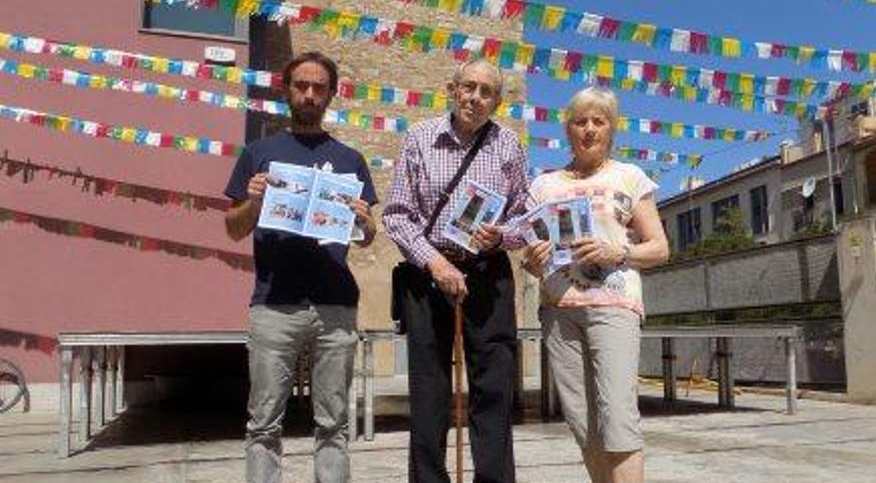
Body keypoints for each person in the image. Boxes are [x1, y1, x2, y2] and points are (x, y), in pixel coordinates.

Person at [224, 51, 378, 483]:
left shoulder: (351, 159)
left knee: (334, 424)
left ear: (332, 94)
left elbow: (367, 237)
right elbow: (232, 229)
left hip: (336, 306)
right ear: (287, 90)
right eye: (302, 86)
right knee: (263, 424)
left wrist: (366, 223)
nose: (310, 95)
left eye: (319, 88)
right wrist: (253, 202)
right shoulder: (259, 153)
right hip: (273, 305)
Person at [382, 59, 529, 483]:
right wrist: (436, 261)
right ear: (452, 89)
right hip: (428, 275)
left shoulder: (509, 146)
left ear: (497, 102)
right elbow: (397, 215)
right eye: (469, 87)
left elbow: (525, 216)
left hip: (488, 273)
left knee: (495, 388)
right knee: (428, 392)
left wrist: (500, 235)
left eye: (487, 92)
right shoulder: (420, 138)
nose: (476, 98)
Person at [521, 87, 669, 483]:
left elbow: (659, 249)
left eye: (598, 122)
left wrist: (616, 252)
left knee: (617, 416)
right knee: (583, 422)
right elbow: (531, 258)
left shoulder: (629, 177)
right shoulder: (543, 185)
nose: (588, 129)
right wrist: (533, 262)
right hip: (558, 312)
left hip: (614, 307)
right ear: (567, 129)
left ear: (611, 129)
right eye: (579, 121)